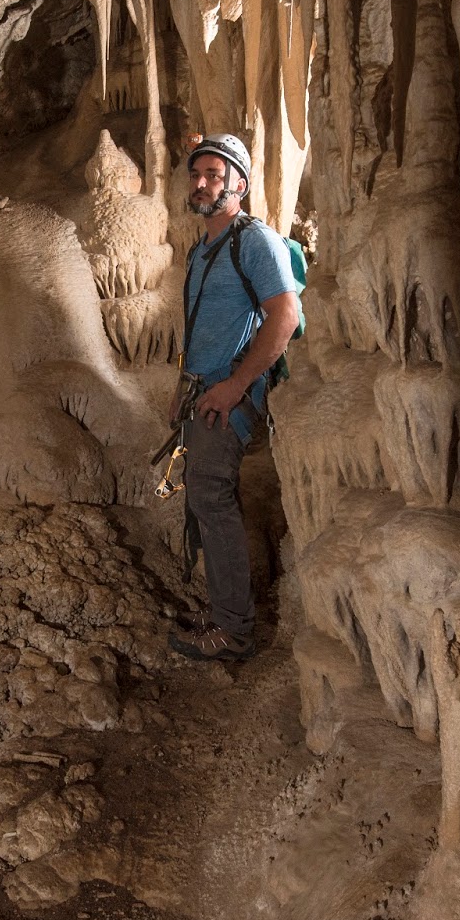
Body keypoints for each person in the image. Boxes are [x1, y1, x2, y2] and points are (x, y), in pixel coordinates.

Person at [168, 133, 300, 662]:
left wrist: (235, 386)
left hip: (229, 394)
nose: (201, 184)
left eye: (214, 176)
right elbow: (200, 326)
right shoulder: (203, 248)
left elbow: (284, 316)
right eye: (196, 175)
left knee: (212, 498)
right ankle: (225, 610)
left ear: (239, 185)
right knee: (206, 498)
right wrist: (182, 388)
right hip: (202, 392)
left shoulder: (255, 242)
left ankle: (234, 631)